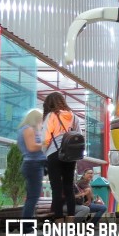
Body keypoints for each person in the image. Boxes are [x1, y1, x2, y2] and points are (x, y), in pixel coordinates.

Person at [42, 92, 79, 223]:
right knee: (69, 188)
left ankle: (58, 221)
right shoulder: (73, 116)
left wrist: (43, 154)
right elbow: (78, 135)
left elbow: (46, 139)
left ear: (49, 104)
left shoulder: (51, 116)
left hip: (54, 154)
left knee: (56, 188)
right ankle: (70, 221)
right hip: (70, 155)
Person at [16, 108, 46, 234]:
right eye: (40, 120)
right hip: (33, 165)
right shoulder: (28, 129)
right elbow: (32, 147)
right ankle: (26, 227)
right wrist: (45, 143)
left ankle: (28, 226)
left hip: (33, 165)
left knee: (32, 197)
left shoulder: (27, 129)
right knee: (33, 198)